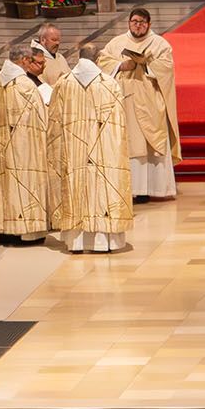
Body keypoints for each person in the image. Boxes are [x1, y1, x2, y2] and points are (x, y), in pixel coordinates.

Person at [48, 43, 134, 253]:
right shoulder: (108, 83)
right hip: (102, 149)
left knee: (77, 190)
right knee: (101, 192)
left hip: (73, 149)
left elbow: (54, 121)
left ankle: (76, 243)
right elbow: (117, 125)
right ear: (97, 60)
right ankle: (103, 243)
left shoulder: (64, 83)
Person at [99, 7, 182, 200]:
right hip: (125, 102)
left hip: (150, 101)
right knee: (130, 144)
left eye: (143, 22)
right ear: (129, 23)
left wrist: (145, 64)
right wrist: (121, 65)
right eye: (135, 21)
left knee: (149, 144)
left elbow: (167, 69)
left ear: (149, 24)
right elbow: (102, 62)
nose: (138, 25)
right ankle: (131, 190)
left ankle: (152, 189)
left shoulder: (159, 44)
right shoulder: (116, 42)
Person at [0, 42, 51, 241]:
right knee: (25, 185)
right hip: (25, 146)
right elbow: (42, 117)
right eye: (30, 60)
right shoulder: (25, 85)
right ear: (24, 60)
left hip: (0, 144)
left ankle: (6, 232)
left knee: (5, 186)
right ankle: (27, 233)